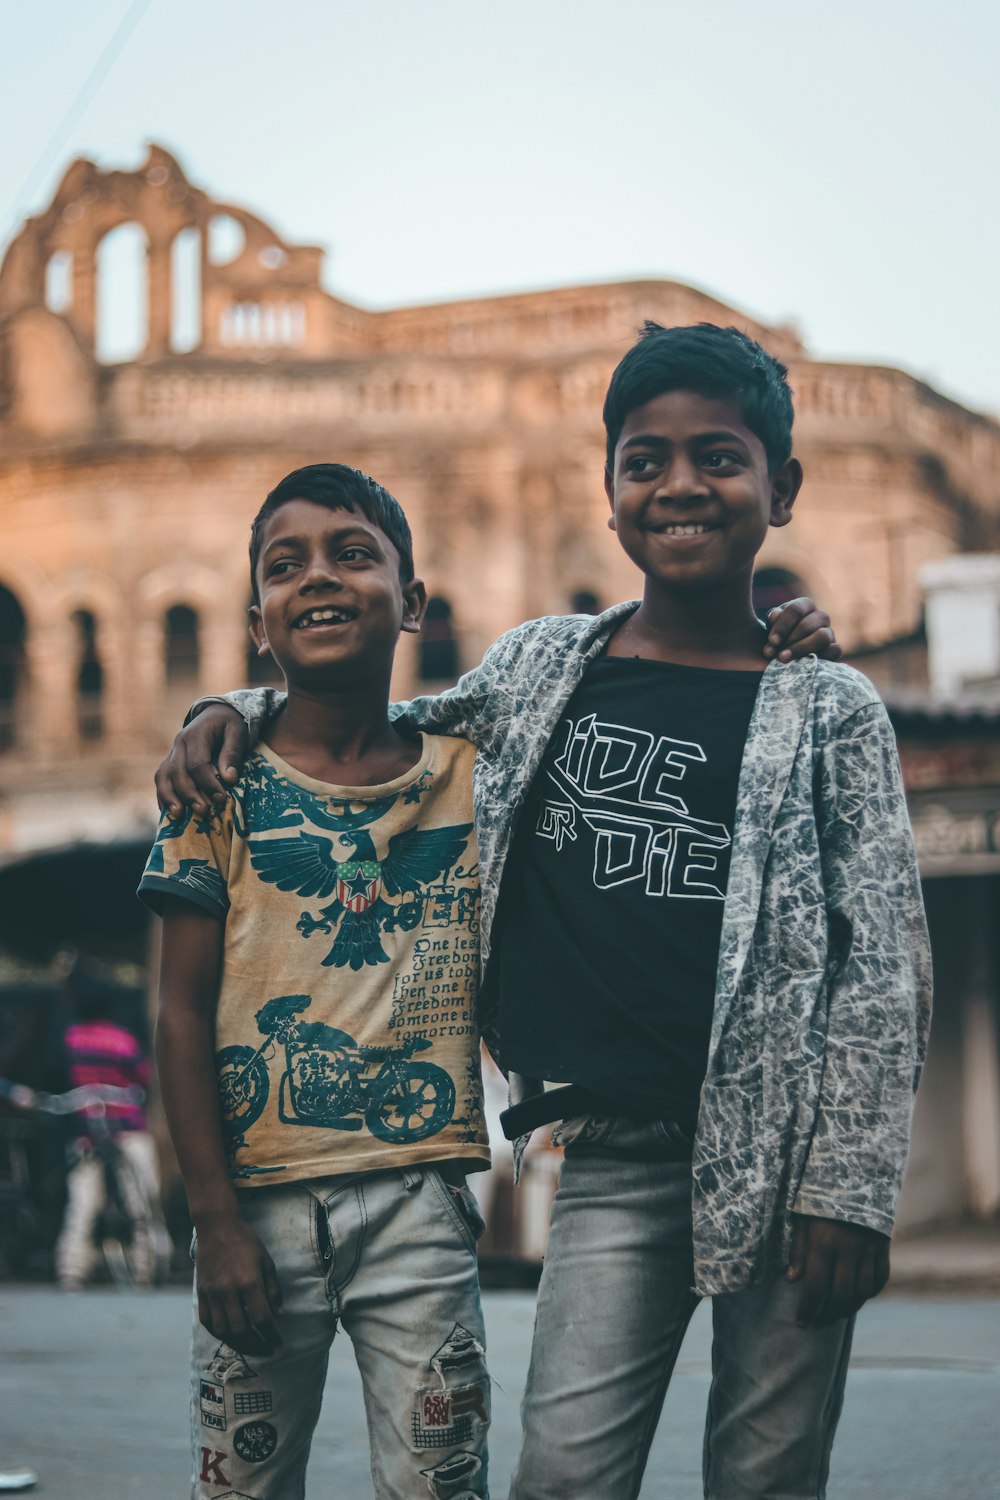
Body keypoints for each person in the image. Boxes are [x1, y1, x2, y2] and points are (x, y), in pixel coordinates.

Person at [154, 324, 928, 1500]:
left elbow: (879, 964)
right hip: (611, 1156)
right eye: (644, 461)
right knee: (563, 1473)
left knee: (768, 1474)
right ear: (610, 496)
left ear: (781, 488)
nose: (679, 486)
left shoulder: (828, 709)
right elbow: (374, 721)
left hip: (786, 1167)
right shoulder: (540, 669)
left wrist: (852, 1190)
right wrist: (231, 705)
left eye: (717, 458)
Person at [139, 464, 492, 1500]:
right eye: (284, 565)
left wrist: (780, 645)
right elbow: (177, 1008)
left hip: (420, 1200)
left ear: (413, 603)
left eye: (352, 553)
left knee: (441, 1482)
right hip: (253, 1211)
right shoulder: (213, 784)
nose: (318, 579)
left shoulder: (472, 771)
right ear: (258, 620)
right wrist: (212, 1221)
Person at [54, 962, 162, 1290]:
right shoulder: (121, 1041)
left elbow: (59, 1080)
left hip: (86, 1135)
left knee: (83, 1205)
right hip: (129, 1130)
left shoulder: (70, 1040)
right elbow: (143, 1077)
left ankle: (71, 1271)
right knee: (143, 1203)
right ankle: (147, 1269)